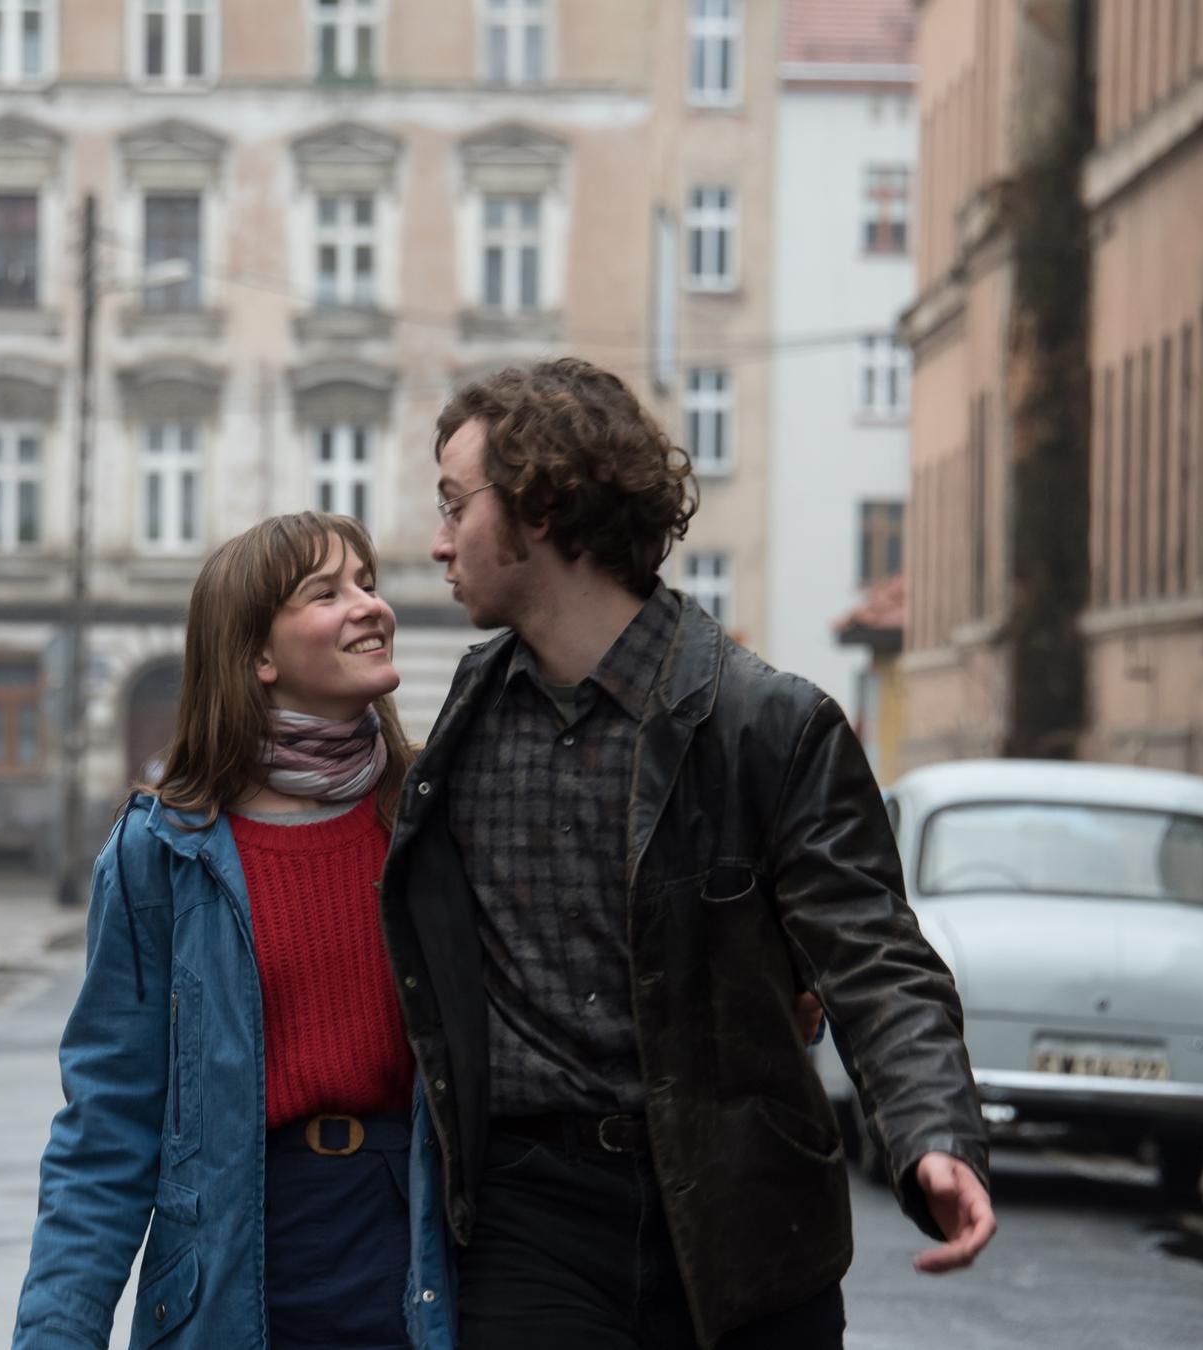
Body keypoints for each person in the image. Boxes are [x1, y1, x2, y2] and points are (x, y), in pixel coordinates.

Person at [376, 359, 996, 1350]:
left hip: (742, 1217)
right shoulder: (466, 719)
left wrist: (934, 1134)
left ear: (540, 506)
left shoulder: (769, 724)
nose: (438, 540)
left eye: (456, 505)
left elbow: (876, 959)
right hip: (527, 1220)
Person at [13, 512, 455, 1350]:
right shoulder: (161, 854)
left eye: (368, 583)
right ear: (258, 655)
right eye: (327, 593)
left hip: (415, 1264)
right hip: (231, 1276)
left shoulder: (430, 822)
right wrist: (55, 1335)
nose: (368, 606)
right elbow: (106, 1131)